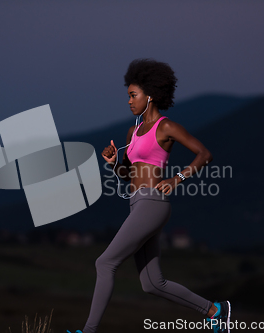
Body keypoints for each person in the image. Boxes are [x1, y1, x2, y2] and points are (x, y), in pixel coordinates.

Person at [77, 59, 231, 333]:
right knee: (151, 283)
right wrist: (114, 163)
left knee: (105, 262)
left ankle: (88, 331)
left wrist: (177, 178)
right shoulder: (132, 132)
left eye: (133, 96)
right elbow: (128, 175)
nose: (129, 101)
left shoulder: (166, 127)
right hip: (136, 203)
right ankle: (215, 311)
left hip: (152, 202)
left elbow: (204, 154)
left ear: (149, 95)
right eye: (128, 96)